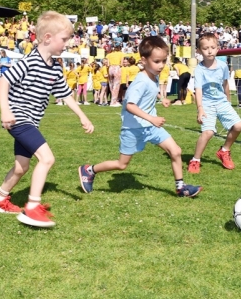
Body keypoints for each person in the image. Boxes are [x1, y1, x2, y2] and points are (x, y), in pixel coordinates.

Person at [0, 11, 94, 228]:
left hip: (31, 122)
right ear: (47, 38)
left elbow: (64, 94)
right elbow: (3, 83)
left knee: (21, 167)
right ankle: (32, 208)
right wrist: (5, 111)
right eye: (64, 40)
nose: (67, 44)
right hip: (19, 119)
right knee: (47, 159)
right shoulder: (28, 62)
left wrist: (83, 116)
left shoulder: (54, 67)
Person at [78, 36, 202, 198]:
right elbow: (130, 105)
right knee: (122, 165)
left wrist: (161, 98)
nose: (161, 65)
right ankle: (88, 170)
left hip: (151, 128)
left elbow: (152, 89)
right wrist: (151, 118)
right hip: (134, 128)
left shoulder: (154, 76)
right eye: (157, 61)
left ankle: (181, 188)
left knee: (176, 151)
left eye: (164, 61)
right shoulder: (140, 82)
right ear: (144, 60)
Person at [188, 33, 241, 173]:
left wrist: (228, 101)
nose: (210, 50)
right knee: (208, 132)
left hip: (222, 102)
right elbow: (198, 90)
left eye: (212, 47)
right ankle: (195, 160)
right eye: (205, 48)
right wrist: (200, 109)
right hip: (206, 104)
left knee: (238, 125)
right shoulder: (199, 70)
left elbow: (225, 84)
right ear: (199, 51)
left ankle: (224, 151)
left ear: (218, 48)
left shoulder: (223, 66)